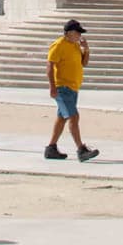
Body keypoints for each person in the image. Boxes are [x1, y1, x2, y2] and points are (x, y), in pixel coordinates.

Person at [45, 20, 99, 162]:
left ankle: (51, 148)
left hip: (73, 88)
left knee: (62, 118)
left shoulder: (75, 45)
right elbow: (50, 66)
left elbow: (84, 63)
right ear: (69, 32)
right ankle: (81, 149)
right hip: (62, 87)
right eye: (77, 32)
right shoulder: (58, 45)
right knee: (74, 117)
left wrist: (86, 49)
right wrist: (52, 87)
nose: (79, 35)